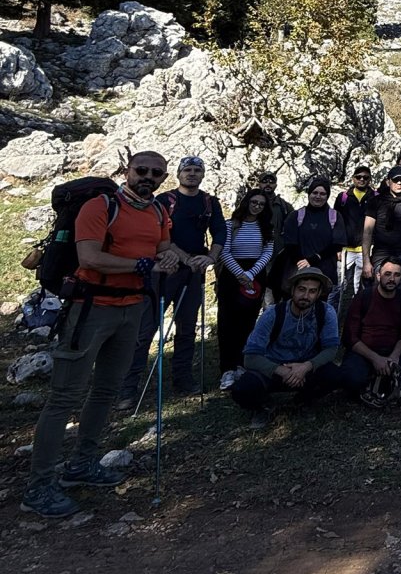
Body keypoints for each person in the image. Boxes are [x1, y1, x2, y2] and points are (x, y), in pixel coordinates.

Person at [21, 152, 180, 518]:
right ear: (128, 170)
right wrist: (141, 265)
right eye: (142, 170)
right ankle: (39, 485)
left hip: (133, 307)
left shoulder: (158, 212)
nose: (148, 177)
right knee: (65, 396)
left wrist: (171, 257)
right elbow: (89, 257)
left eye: (156, 173)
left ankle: (82, 463)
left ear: (163, 177)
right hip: (91, 308)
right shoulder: (100, 206)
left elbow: (162, 248)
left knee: (107, 389)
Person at [117, 155, 225, 408]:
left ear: (203, 174)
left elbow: (220, 231)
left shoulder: (209, 202)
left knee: (187, 327)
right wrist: (186, 258)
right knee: (146, 329)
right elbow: (158, 234)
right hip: (163, 271)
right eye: (187, 170)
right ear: (178, 174)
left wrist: (210, 258)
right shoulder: (164, 201)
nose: (192, 174)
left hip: (194, 272)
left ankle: (183, 379)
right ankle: (128, 388)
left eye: (197, 170)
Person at [228, 267, 341, 429]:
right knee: (242, 388)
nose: (306, 296)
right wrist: (282, 371)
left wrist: (306, 366)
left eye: (312, 291)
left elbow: (331, 349)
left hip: (306, 369)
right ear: (292, 289)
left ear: (318, 294)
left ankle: (303, 401)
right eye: (301, 289)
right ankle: (262, 406)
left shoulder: (326, 312)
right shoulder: (273, 314)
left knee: (335, 375)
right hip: (274, 369)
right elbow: (250, 357)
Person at [337, 257, 401, 398]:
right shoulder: (363, 297)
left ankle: (383, 380)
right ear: (378, 275)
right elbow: (350, 337)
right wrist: (375, 359)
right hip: (365, 352)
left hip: (392, 352)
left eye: (397, 275)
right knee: (351, 378)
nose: (392, 279)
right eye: (387, 274)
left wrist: (394, 356)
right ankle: (372, 379)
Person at [217, 189, 275, 389]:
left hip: (255, 275)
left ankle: (242, 364)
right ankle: (227, 369)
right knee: (227, 322)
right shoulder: (230, 225)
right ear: (246, 202)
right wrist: (240, 274)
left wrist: (250, 274)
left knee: (248, 322)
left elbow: (267, 252)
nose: (257, 206)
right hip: (232, 275)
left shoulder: (266, 228)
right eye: (254, 202)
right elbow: (224, 251)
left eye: (261, 204)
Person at [283, 177, 348, 309]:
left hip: (324, 273)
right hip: (298, 271)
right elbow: (290, 243)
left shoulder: (335, 217)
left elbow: (337, 244)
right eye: (315, 193)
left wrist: (313, 259)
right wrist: (302, 261)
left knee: (319, 309)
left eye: (322, 194)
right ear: (309, 194)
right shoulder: (296, 216)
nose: (318, 196)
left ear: (327, 196)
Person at [362, 165, 401, 291]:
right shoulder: (376, 201)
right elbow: (367, 231)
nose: (399, 183)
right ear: (388, 182)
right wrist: (366, 261)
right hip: (381, 254)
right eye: (396, 180)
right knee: (378, 291)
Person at [254, 170, 293, 302]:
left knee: (272, 292)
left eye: (271, 181)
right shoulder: (252, 203)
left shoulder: (284, 206)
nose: (268, 184)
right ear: (259, 184)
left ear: (276, 184)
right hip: (254, 255)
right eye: (264, 181)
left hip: (277, 256)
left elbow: (292, 229)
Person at [336, 165, 373, 297]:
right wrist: (337, 248)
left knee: (362, 287)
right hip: (345, 250)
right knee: (339, 286)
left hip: (365, 251)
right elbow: (336, 223)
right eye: (358, 177)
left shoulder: (375, 197)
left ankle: (359, 309)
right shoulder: (343, 197)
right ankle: (336, 310)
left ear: (369, 179)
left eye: (365, 177)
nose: (362, 179)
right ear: (353, 178)